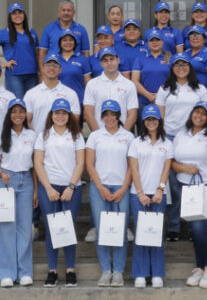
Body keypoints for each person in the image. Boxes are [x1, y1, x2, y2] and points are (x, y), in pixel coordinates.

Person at [154, 53, 207, 242]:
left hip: (193, 136)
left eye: (184, 64)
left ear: (190, 67)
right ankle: (174, 227)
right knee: (173, 185)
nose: (180, 67)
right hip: (171, 137)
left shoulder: (200, 89)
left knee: (192, 183)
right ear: (172, 68)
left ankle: (193, 227)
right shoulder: (165, 89)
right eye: (176, 64)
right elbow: (159, 115)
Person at [171, 101, 207, 289]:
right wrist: (184, 167)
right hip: (186, 186)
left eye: (204, 113)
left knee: (200, 225)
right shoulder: (181, 135)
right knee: (194, 229)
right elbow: (171, 162)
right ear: (191, 114)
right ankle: (201, 267)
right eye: (197, 112)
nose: (199, 116)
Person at [33, 97, 85, 289]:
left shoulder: (76, 135)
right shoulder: (44, 135)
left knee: (68, 229)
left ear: (69, 115)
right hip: (50, 187)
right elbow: (38, 162)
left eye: (64, 113)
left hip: (72, 188)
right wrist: (47, 188)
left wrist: (71, 186)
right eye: (57, 113)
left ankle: (70, 270)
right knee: (52, 230)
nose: (61, 116)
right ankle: (52, 270)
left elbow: (80, 162)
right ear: (52, 115)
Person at [84, 99, 134, 287]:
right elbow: (89, 163)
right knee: (102, 229)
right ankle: (106, 270)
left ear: (119, 116)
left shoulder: (128, 136)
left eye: (114, 114)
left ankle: (118, 271)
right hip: (100, 188)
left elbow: (132, 165)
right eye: (107, 114)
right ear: (102, 116)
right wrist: (101, 188)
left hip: (122, 188)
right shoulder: (95, 135)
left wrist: (123, 188)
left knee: (121, 230)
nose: (110, 117)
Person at [0, 98, 37, 287]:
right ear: (9, 115)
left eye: (21, 111)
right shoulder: (1, 136)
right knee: (5, 227)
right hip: (6, 180)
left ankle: (24, 272)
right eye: (14, 111)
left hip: (26, 180)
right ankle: (5, 273)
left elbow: (35, 165)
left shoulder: (32, 135)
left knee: (25, 227)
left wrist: (35, 190)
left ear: (25, 114)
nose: (18, 115)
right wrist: (1, 174)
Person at [127, 104, 173, 288]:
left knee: (155, 233)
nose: (151, 122)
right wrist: (140, 192)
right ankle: (140, 273)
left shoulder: (167, 143)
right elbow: (134, 169)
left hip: (159, 195)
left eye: (154, 119)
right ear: (143, 122)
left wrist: (160, 189)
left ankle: (156, 273)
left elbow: (166, 168)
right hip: (138, 194)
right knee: (141, 233)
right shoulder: (136, 142)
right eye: (148, 119)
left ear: (159, 121)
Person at [0, 2, 39, 98]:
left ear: (24, 15)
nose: (17, 15)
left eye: (20, 12)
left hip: (32, 75)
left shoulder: (32, 32)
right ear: (10, 16)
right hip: (14, 75)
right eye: (14, 13)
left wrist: (41, 71)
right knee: (17, 105)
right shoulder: (5, 33)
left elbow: (37, 53)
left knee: (31, 106)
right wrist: (1, 64)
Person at [24, 53, 82, 135]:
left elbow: (74, 120)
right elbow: (26, 120)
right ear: (43, 68)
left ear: (60, 69)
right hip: (37, 143)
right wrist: (36, 139)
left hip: (62, 143)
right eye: (48, 65)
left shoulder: (70, 93)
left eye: (55, 65)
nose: (51, 68)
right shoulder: (31, 93)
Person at [83, 47, 139, 131]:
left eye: (111, 59)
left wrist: (123, 135)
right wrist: (98, 135)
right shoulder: (92, 84)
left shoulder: (129, 85)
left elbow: (133, 114)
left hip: (122, 136)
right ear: (101, 63)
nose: (109, 63)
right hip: (99, 135)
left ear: (118, 60)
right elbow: (88, 113)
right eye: (105, 60)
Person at [37, 0, 90, 68]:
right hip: (52, 69)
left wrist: (85, 71)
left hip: (75, 70)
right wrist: (42, 72)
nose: (66, 13)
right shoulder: (49, 28)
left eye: (69, 10)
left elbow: (85, 53)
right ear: (58, 12)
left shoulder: (81, 29)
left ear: (74, 13)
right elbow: (42, 52)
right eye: (63, 10)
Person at [131, 29, 170, 111]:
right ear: (147, 43)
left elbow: (175, 80)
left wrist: (160, 96)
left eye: (157, 40)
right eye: (151, 40)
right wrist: (149, 96)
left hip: (166, 102)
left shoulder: (170, 58)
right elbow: (134, 80)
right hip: (144, 102)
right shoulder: (140, 58)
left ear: (162, 41)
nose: (154, 42)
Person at [54, 29, 91, 105]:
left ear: (75, 43)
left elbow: (87, 82)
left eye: (71, 40)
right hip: (58, 101)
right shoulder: (54, 60)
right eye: (65, 40)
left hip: (79, 100)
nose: (68, 43)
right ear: (60, 43)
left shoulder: (82, 59)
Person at [183, 25, 207, 101]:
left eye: (198, 35)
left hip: (202, 95)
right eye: (192, 35)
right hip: (185, 94)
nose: (195, 38)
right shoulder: (185, 54)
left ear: (204, 39)